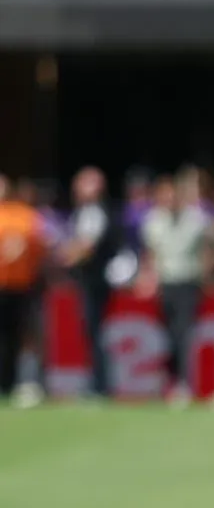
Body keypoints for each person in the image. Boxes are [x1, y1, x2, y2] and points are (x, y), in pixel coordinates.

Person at [140, 171, 213, 407]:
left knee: (183, 332)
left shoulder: (195, 219)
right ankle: (171, 380)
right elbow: (150, 254)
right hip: (166, 284)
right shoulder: (153, 221)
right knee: (169, 335)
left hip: (189, 282)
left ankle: (182, 382)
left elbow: (206, 251)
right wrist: (148, 277)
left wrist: (207, 278)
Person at [55, 167, 121, 399]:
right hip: (90, 280)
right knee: (91, 332)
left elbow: (86, 247)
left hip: (94, 281)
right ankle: (97, 383)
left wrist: (62, 256)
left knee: (94, 332)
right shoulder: (86, 211)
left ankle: (99, 385)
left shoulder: (94, 212)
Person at [0, 175, 44, 407]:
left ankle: (23, 382)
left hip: (22, 286)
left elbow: (38, 248)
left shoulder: (24, 215)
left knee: (23, 336)